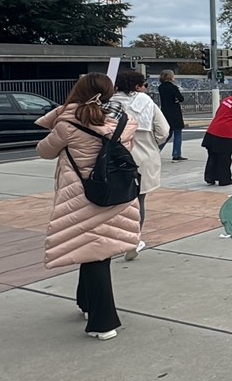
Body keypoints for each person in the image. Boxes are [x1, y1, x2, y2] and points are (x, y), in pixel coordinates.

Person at [36, 72, 139, 341]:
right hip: (115, 194)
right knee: (95, 251)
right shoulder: (124, 121)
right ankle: (86, 303)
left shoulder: (67, 123)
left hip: (80, 198)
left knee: (95, 255)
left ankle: (103, 322)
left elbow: (44, 151)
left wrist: (60, 115)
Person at [111, 70, 169, 261]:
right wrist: (153, 143)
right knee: (139, 200)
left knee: (115, 201)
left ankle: (114, 238)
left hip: (115, 155)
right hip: (144, 154)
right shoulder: (146, 102)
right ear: (137, 86)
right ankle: (134, 240)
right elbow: (163, 131)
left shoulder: (109, 102)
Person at [158, 70, 187, 162]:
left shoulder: (161, 87)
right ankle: (176, 154)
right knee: (177, 133)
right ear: (170, 77)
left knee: (167, 134)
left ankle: (157, 150)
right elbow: (181, 98)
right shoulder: (173, 87)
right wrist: (177, 100)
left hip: (165, 112)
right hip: (175, 112)